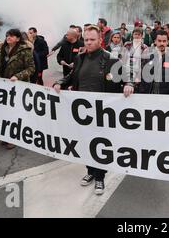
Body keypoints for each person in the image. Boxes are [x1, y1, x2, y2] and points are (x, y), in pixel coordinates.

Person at [53, 26, 124, 195]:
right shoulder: (80, 58)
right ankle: (90, 172)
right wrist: (60, 82)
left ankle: (100, 177)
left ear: (100, 40)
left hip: (103, 112)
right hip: (83, 111)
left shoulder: (111, 60)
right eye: (86, 39)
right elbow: (72, 76)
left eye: (92, 39)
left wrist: (128, 85)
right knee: (86, 142)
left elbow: (125, 79)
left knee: (100, 145)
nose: (89, 42)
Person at [0, 29, 35, 149]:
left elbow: (31, 68)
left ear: (18, 38)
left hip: (18, 87)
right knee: (5, 112)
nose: (8, 37)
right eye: (7, 35)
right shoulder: (3, 50)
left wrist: (18, 76)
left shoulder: (25, 51)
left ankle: (14, 138)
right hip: (4, 87)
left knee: (15, 114)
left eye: (11, 36)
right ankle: (6, 135)